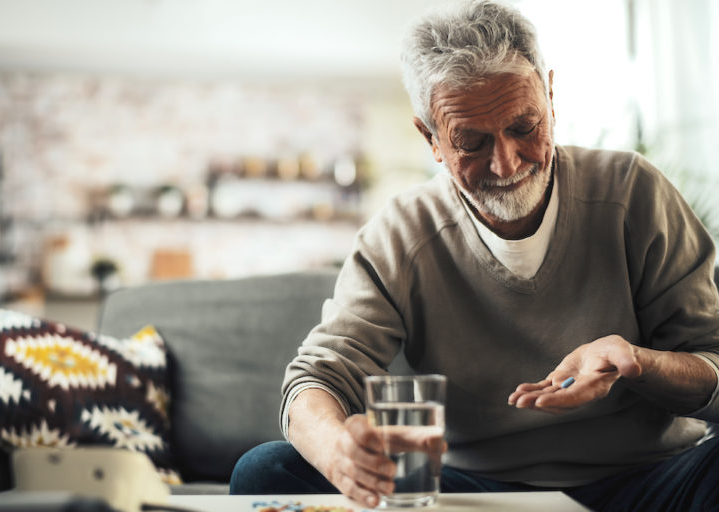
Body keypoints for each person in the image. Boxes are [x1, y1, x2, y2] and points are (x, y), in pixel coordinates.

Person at [229, 1, 719, 510]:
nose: (506, 161)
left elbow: (714, 361)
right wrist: (338, 454)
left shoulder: (633, 192)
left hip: (647, 484)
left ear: (550, 97)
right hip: (472, 497)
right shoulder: (399, 235)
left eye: (525, 127)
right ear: (432, 139)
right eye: (472, 141)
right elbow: (319, 375)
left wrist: (638, 362)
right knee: (266, 471)